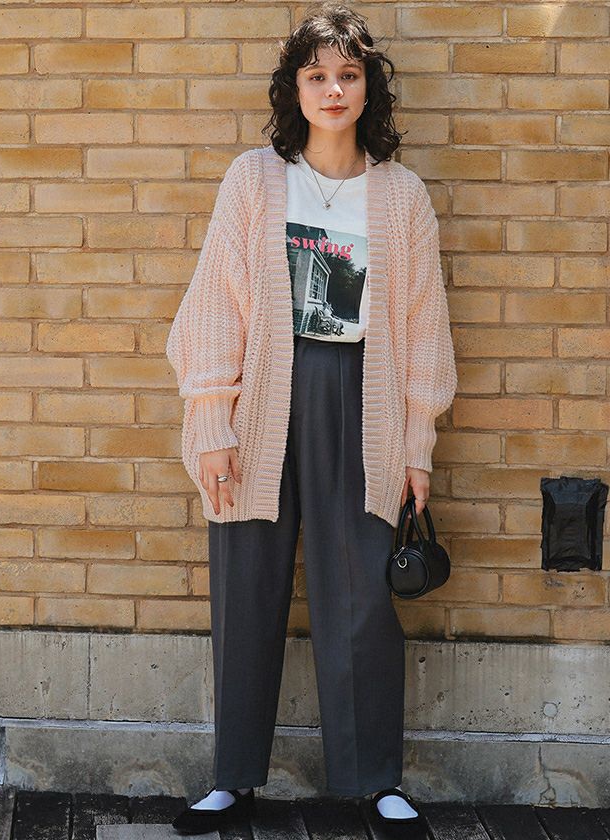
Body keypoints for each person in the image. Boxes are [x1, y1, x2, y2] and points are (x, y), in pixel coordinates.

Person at [165, 2, 458, 834]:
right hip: (262, 393)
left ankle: (375, 782)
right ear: (294, 89)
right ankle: (232, 781)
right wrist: (211, 424)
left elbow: (424, 328)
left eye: (348, 75)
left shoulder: (400, 196)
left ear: (369, 90)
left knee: (361, 589)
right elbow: (215, 308)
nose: (333, 89)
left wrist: (417, 443)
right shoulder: (254, 179)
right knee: (245, 586)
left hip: (361, 396)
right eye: (317, 75)